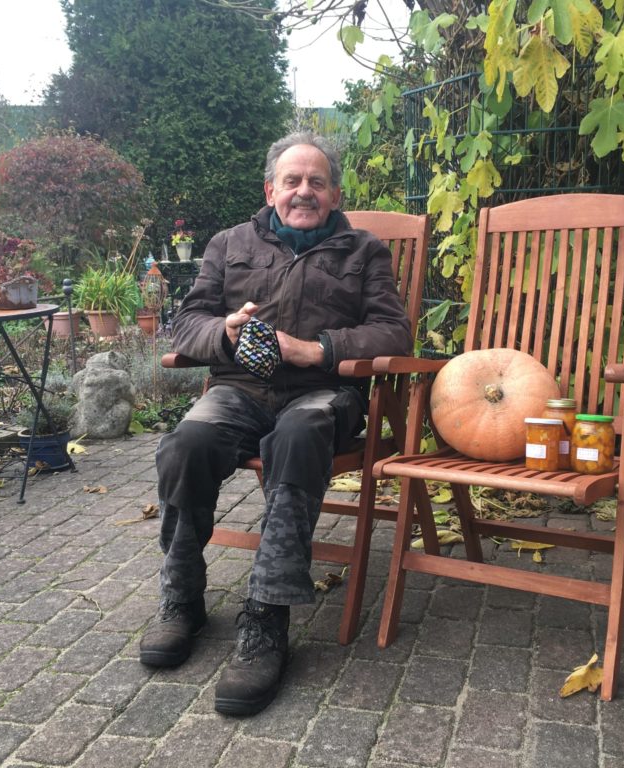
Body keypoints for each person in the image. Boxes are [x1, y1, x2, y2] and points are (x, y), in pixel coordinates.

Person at [141, 131, 413, 716]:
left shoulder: (364, 252)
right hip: (239, 389)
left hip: (324, 394)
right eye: (292, 180)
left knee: (297, 432)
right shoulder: (228, 243)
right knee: (187, 441)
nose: (304, 191)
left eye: (317, 181)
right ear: (271, 189)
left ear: (335, 194)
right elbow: (186, 320)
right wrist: (224, 334)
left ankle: (266, 616)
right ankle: (182, 595)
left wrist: (318, 350)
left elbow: (394, 333)